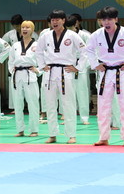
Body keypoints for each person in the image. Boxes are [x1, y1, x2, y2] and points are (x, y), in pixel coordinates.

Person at [88, 6, 124, 146]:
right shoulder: (96, 34)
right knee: (103, 105)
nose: (106, 22)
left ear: (116, 19)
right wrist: (95, 64)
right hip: (105, 71)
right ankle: (103, 137)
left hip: (122, 71)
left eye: (109, 19)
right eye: (103, 19)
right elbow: (88, 49)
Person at [36, 9, 89, 144]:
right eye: (53, 20)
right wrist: (42, 65)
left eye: (57, 19)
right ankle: (52, 134)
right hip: (50, 72)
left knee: (68, 104)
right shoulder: (45, 36)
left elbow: (85, 51)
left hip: (66, 71)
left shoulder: (72, 35)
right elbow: (38, 51)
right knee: (50, 104)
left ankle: (71, 135)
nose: (54, 22)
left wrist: (77, 67)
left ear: (63, 21)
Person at [8, 20, 41, 137]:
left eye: (27, 28)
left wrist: (38, 70)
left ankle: (34, 130)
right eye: (23, 27)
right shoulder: (16, 45)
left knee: (33, 103)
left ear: (32, 30)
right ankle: (20, 129)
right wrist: (12, 71)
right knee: (18, 104)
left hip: (30, 76)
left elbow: (44, 61)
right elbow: (11, 61)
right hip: (17, 76)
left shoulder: (37, 45)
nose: (24, 30)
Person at [65, 15, 91, 126]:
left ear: (76, 24)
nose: (70, 29)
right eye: (68, 27)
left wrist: (84, 66)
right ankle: (68, 118)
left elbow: (91, 51)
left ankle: (84, 117)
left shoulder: (85, 35)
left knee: (82, 92)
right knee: (67, 93)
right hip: (68, 65)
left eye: (71, 27)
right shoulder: (64, 35)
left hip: (81, 66)